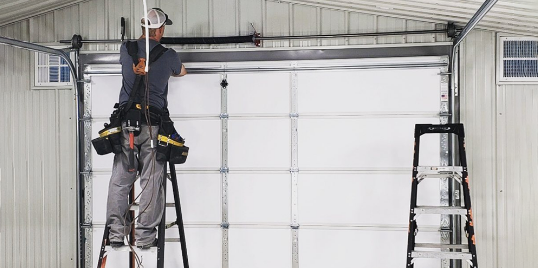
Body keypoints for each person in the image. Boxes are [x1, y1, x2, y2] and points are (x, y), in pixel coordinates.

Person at [105, 7, 187, 249]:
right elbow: (181, 72)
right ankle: (144, 238)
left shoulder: (126, 49)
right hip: (152, 126)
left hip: (126, 127)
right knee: (151, 182)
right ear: (160, 30)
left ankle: (116, 235)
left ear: (143, 28)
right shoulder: (169, 55)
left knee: (120, 182)